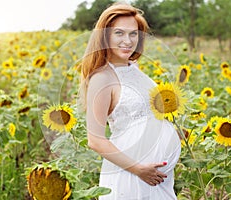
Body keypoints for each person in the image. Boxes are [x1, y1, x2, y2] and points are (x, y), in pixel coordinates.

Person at [79, 2, 181, 199]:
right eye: (119, 33)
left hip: (155, 177)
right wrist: (139, 169)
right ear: (105, 35)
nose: (128, 40)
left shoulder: (133, 67)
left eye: (133, 34)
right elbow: (95, 140)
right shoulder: (102, 78)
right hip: (132, 174)